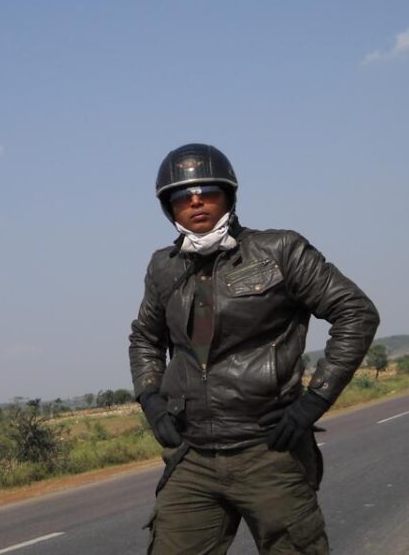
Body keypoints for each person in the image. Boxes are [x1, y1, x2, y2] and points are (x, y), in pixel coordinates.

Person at [129, 143, 379, 554]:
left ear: (228, 194)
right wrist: (151, 397)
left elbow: (355, 312)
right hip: (192, 453)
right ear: (168, 207)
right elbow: (144, 337)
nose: (195, 201)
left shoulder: (279, 250)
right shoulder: (163, 267)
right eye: (181, 195)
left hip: (268, 450)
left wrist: (312, 402)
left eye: (207, 190)